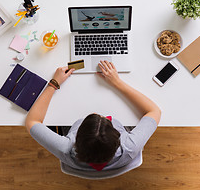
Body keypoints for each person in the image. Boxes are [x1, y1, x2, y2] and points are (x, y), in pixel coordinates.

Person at [25, 60, 161, 176]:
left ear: (76, 139)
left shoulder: (65, 149)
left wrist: (54, 83)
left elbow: (32, 121)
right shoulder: (129, 147)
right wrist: (117, 82)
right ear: (118, 139)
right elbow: (154, 111)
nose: (98, 113)